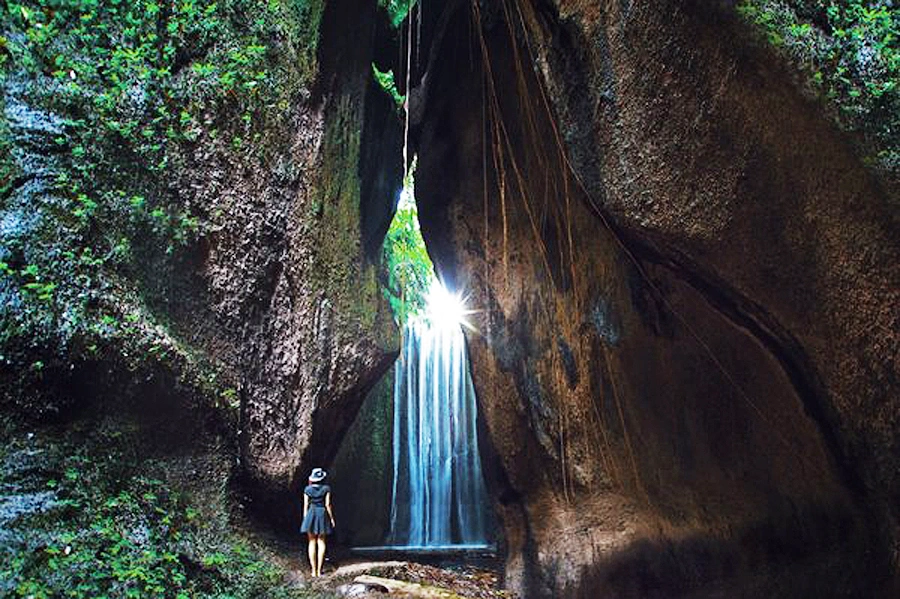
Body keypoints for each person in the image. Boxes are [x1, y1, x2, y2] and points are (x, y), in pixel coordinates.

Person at [300, 467, 335, 577]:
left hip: (311, 513)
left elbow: (305, 505)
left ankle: (313, 571)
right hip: (322, 514)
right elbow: (327, 504)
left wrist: (305, 518)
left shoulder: (307, 489)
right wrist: (331, 518)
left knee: (311, 542)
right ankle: (319, 571)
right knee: (321, 541)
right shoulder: (326, 489)